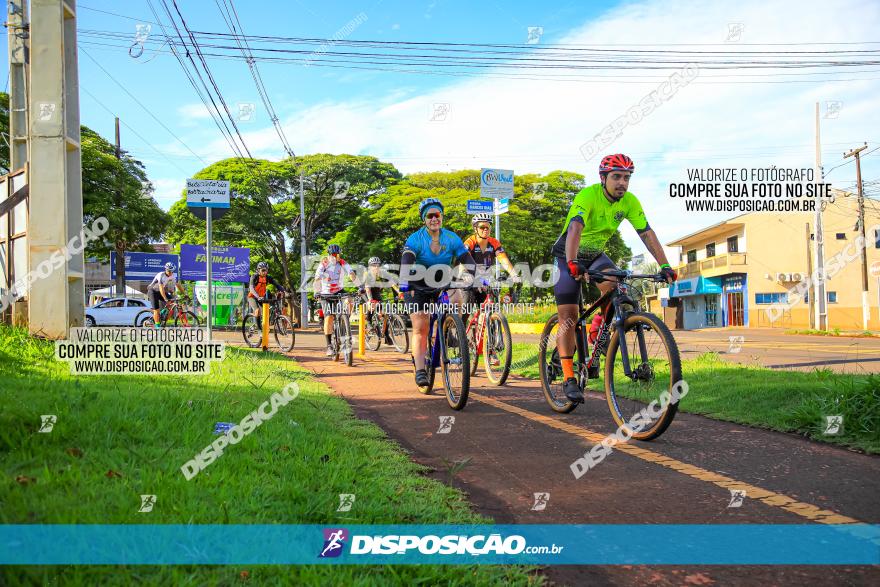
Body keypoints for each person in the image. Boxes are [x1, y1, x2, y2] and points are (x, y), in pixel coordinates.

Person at [551, 153, 677, 403]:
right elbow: (575, 227)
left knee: (615, 286)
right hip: (567, 256)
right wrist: (574, 263)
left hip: (595, 254)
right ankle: (568, 377)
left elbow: (646, 233)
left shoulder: (629, 202)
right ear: (603, 178)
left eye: (627, 178)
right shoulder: (588, 196)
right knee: (569, 316)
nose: (622, 183)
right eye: (617, 177)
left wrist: (664, 264)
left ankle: (597, 337)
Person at [398, 197, 478, 388]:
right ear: (424, 219)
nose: (434, 218)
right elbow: (407, 261)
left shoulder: (451, 238)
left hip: (442, 280)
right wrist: (404, 281)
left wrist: (479, 277)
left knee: (457, 295)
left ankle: (451, 327)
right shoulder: (415, 239)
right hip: (418, 284)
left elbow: (467, 260)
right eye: (430, 216)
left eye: (437, 214)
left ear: (442, 217)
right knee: (421, 327)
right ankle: (420, 370)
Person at [313, 244, 363, 356]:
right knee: (329, 317)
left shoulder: (342, 262)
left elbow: (351, 274)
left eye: (337, 254)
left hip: (339, 290)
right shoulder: (324, 263)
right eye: (332, 255)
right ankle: (329, 346)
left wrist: (360, 286)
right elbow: (317, 279)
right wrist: (317, 291)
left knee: (350, 299)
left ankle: (344, 320)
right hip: (326, 293)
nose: (335, 257)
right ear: (329, 255)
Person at [147, 262, 186, 327]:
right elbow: (161, 288)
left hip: (160, 291)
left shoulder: (173, 276)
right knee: (156, 310)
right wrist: (165, 298)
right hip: (152, 291)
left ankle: (163, 320)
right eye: (169, 271)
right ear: (166, 269)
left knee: (172, 303)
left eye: (171, 271)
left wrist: (185, 294)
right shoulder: (161, 275)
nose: (170, 272)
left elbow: (178, 285)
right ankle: (157, 327)